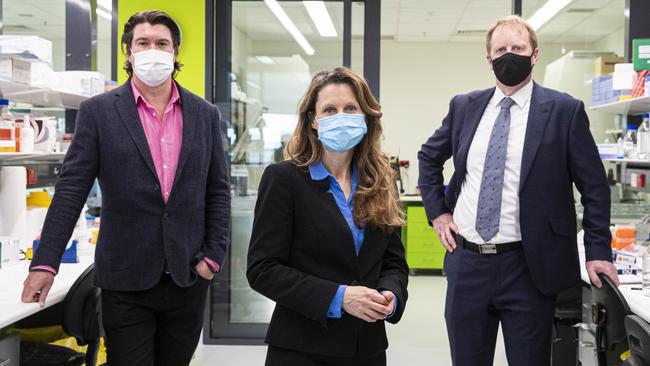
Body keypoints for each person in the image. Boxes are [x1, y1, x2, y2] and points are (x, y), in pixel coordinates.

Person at [21, 10, 230, 366]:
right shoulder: (98, 112)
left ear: (175, 53)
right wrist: (45, 263)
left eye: (162, 43)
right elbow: (71, 190)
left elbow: (217, 191)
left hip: (188, 276)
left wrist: (213, 258)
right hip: (125, 279)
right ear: (129, 53)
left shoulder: (204, 114)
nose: (153, 50)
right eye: (143, 43)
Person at [417, 15, 618, 366]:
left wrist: (597, 249)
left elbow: (595, 187)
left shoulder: (564, 111)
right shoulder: (465, 106)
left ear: (534, 54)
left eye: (518, 48)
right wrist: (437, 212)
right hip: (467, 263)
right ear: (489, 58)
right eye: (501, 49)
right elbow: (428, 157)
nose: (509, 55)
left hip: (528, 267)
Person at [247, 66, 409, 366]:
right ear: (313, 121)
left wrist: (390, 295)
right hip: (301, 348)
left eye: (350, 108)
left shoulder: (381, 181)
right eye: (329, 110)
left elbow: (394, 263)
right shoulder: (284, 180)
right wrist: (340, 297)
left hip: (367, 348)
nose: (341, 117)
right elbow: (263, 269)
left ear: (365, 117)